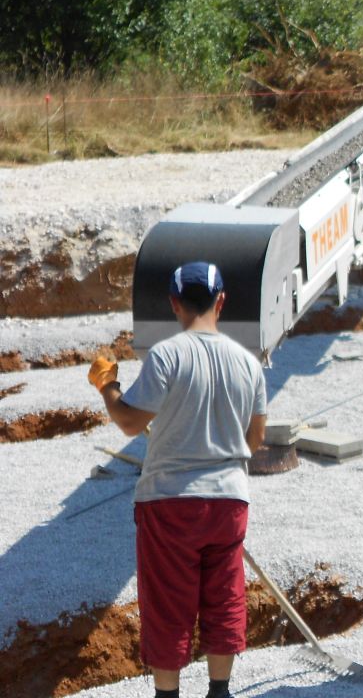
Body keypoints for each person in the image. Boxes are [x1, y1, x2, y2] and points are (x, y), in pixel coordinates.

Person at [89, 261, 268, 698]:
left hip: (169, 500)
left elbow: (130, 422)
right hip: (229, 500)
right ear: (221, 301)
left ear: (174, 303)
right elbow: (255, 439)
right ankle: (220, 691)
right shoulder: (248, 364)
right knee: (224, 598)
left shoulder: (168, 356)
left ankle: (168, 695)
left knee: (168, 605)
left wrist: (107, 384)